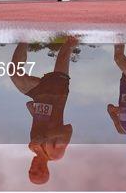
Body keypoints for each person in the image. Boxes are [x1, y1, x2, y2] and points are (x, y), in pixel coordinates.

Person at [10, 36, 78, 184]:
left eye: (30, 171)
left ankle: (25, 37)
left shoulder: (33, 147)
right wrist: (45, 138)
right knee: (67, 48)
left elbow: (42, 121)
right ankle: (81, 26)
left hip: (39, 96)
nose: (32, 167)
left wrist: (33, 111)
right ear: (45, 170)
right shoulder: (55, 154)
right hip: (56, 93)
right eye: (37, 171)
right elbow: (68, 130)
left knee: (14, 74)